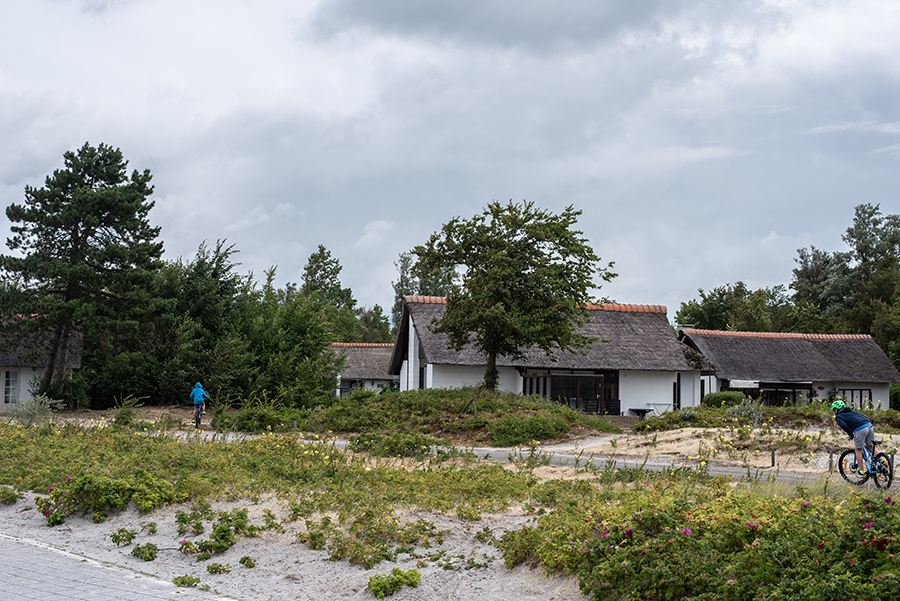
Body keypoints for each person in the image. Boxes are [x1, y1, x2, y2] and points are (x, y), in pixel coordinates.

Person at [832, 399, 875, 476]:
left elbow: (844, 426)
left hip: (860, 429)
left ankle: (861, 471)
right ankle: (882, 461)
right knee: (870, 446)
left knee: (858, 449)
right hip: (869, 425)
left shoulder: (838, 416)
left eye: (833, 410)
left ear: (835, 410)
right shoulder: (851, 411)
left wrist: (851, 434)